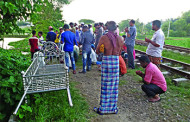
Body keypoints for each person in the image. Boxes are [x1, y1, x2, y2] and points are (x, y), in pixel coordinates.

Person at [94, 21, 124, 115]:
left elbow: (97, 51)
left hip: (107, 61)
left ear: (107, 28)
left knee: (105, 85)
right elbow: (120, 52)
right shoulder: (120, 38)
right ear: (115, 28)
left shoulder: (104, 37)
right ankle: (113, 108)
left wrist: (102, 49)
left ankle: (103, 109)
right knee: (114, 86)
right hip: (115, 62)